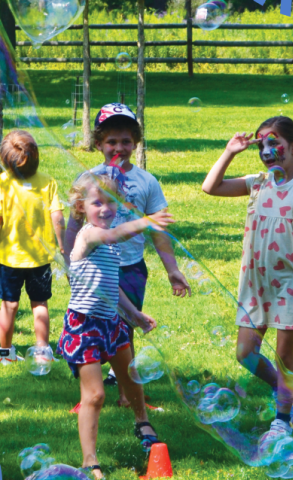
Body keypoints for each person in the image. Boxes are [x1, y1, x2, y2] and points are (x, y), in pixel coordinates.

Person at [202, 116, 293, 442]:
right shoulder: (257, 183)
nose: (267, 150)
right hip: (256, 284)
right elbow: (210, 187)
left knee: (284, 357)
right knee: (245, 353)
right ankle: (287, 389)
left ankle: (283, 420)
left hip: (292, 284)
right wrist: (230, 152)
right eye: (262, 145)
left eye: (274, 143)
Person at [64, 103, 190, 406]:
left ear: (135, 142)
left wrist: (172, 269)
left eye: (125, 141)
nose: (118, 147)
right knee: (90, 325)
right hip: (93, 269)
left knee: (125, 328)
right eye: (111, 141)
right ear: (98, 144)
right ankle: (89, 392)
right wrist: (71, 262)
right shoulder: (88, 179)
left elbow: (159, 232)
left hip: (130, 267)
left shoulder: (147, 181)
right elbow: (73, 224)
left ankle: (127, 394)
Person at [57, 172, 174, 479]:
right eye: (98, 203)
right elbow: (110, 235)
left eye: (112, 203)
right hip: (84, 327)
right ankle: (90, 460)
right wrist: (146, 222)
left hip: (111, 322)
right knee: (94, 395)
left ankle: (142, 422)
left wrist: (133, 313)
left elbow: (112, 285)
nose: (106, 209)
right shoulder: (89, 235)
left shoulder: (109, 246)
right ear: (82, 208)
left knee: (132, 378)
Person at [0, 130, 65, 364]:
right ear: (36, 157)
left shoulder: (2, 183)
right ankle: (42, 352)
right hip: (40, 258)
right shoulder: (47, 182)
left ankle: (5, 353)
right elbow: (57, 217)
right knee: (39, 303)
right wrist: (62, 245)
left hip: (9, 258)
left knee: (9, 304)